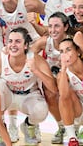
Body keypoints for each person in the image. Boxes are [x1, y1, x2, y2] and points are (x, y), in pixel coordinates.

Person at [0, 27, 59, 145]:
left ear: (26, 45)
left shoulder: (36, 59)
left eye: (17, 41)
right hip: (9, 96)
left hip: (29, 96)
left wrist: (36, 71)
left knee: (41, 112)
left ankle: (29, 126)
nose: (13, 45)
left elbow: (53, 89)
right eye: (10, 41)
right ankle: (1, 128)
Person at [30, 12, 72, 144]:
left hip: (70, 76)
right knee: (50, 92)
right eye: (50, 26)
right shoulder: (45, 41)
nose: (52, 30)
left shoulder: (72, 41)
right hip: (52, 77)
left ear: (65, 27)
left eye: (57, 26)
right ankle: (62, 127)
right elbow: (28, 53)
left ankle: (74, 127)